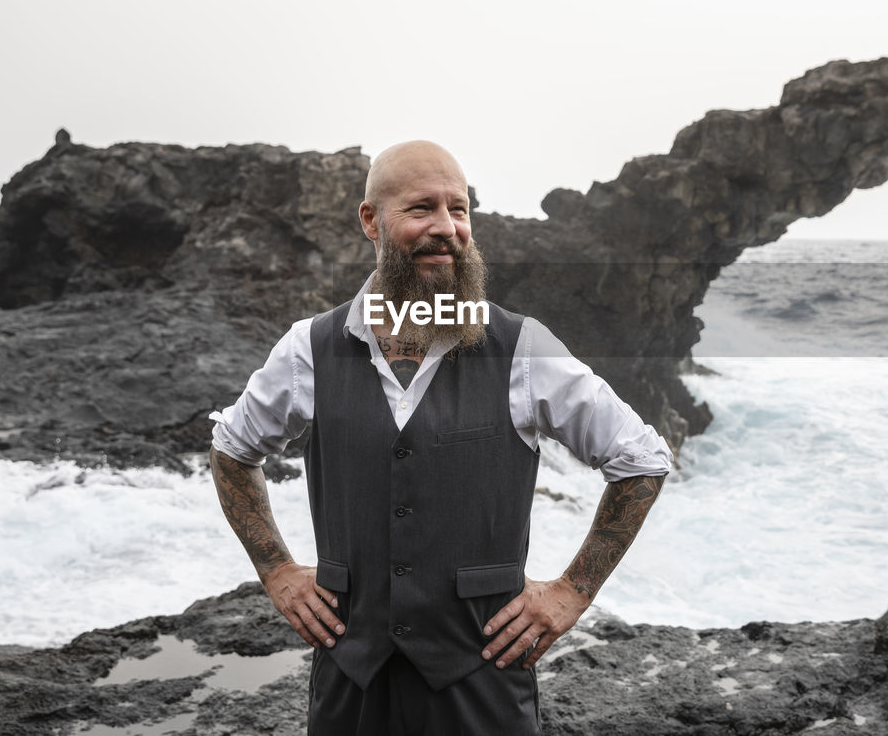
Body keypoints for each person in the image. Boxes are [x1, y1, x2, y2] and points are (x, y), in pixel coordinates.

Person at [209, 140, 671, 735]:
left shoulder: (522, 348)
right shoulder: (310, 349)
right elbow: (231, 448)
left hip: (481, 685)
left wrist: (572, 591)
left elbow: (640, 459)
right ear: (371, 220)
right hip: (351, 686)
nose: (447, 228)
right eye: (422, 208)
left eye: (460, 209)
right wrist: (276, 570)